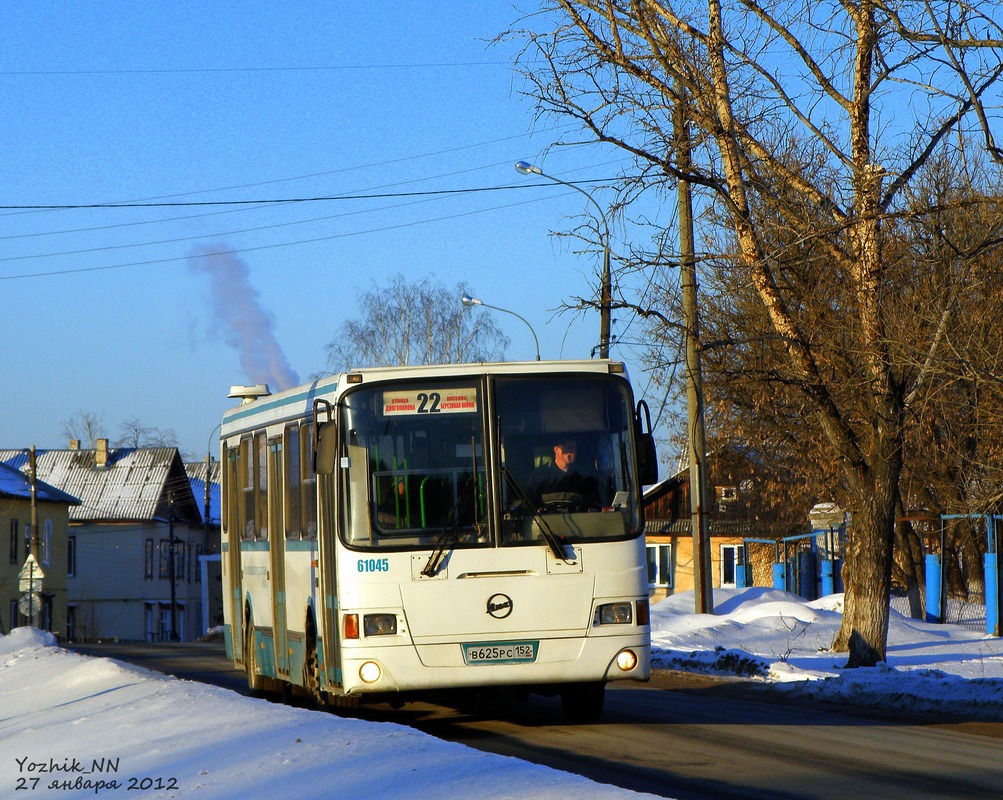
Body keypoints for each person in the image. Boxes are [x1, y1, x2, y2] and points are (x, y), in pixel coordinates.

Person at [526, 438, 600, 510]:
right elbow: (530, 505)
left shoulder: (583, 475)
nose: (574, 451)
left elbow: (593, 504)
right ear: (556, 449)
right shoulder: (539, 475)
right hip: (546, 522)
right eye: (569, 448)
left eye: (575, 448)